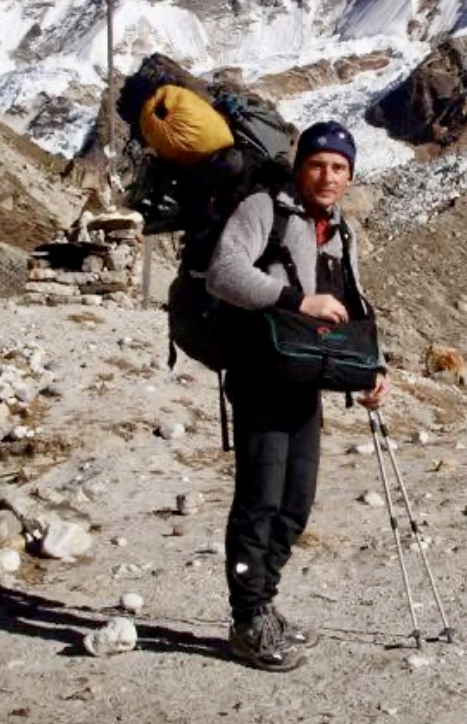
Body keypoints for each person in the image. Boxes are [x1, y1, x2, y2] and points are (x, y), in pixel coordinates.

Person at [204, 120, 390, 671]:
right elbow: (223, 272)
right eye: (317, 164)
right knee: (259, 503)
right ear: (299, 166)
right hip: (260, 379)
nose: (327, 176)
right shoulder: (265, 209)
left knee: (293, 505)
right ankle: (246, 619)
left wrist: (373, 366)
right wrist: (295, 299)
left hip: (304, 382)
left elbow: (353, 303)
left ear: (350, 174)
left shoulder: (340, 229)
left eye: (339, 168)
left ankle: (265, 605)